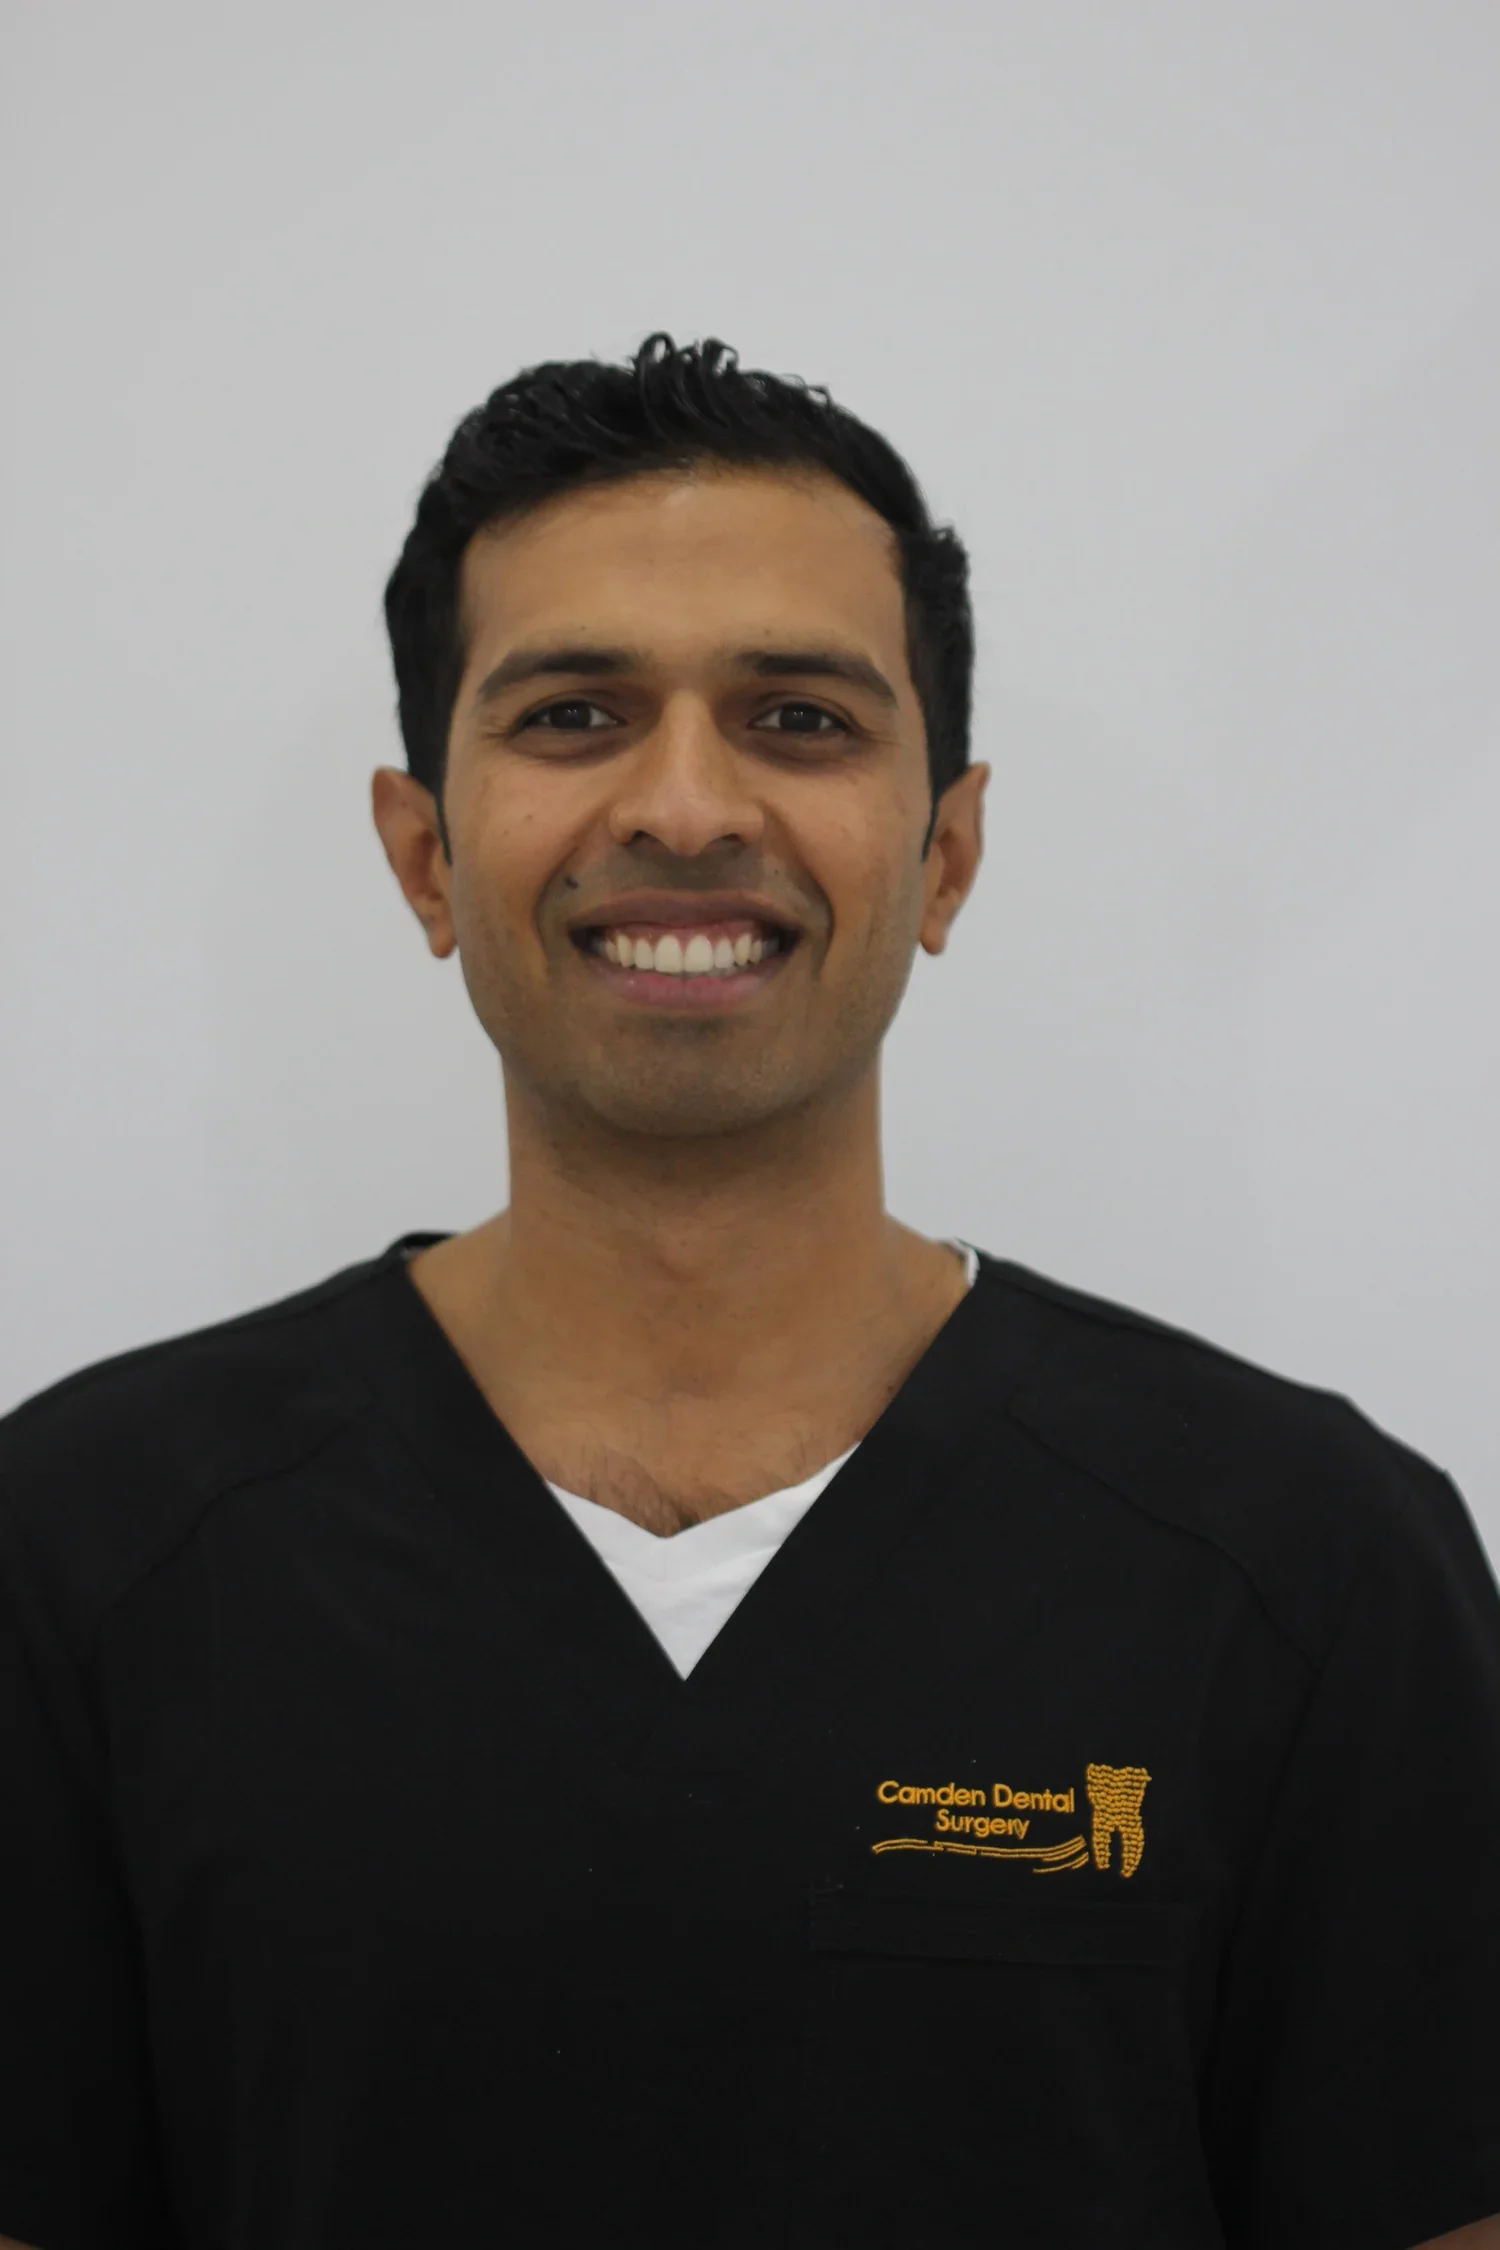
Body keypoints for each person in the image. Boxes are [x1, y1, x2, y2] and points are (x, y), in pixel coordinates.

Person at [2, 333, 1497, 2250]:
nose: (689, 807)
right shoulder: (86, 1552)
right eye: (572, 716)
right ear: (421, 852)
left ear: (945, 849)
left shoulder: (1311, 1565)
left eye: (799, 718)